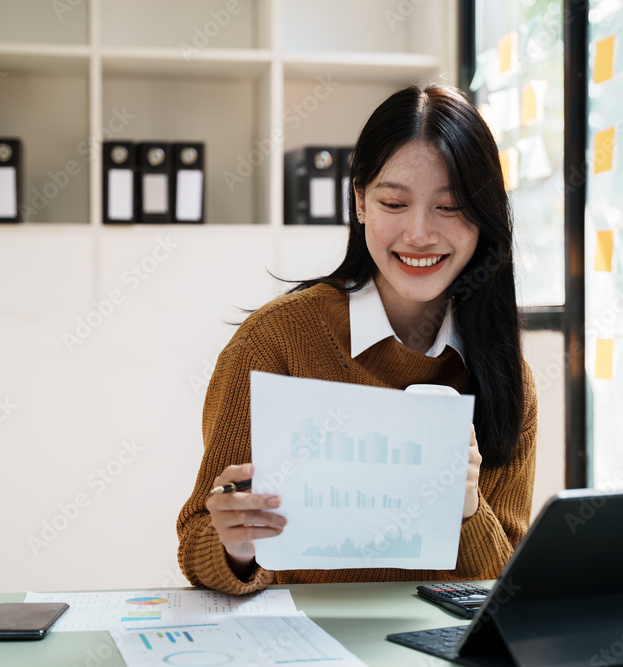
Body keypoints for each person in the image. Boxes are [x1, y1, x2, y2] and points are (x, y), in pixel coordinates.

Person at [177, 84, 538, 595]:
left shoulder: (505, 374)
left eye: (450, 206)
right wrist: (236, 544)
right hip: (304, 642)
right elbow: (198, 540)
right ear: (360, 202)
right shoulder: (274, 342)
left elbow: (502, 590)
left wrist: (467, 510)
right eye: (394, 202)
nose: (418, 233)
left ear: (483, 217)